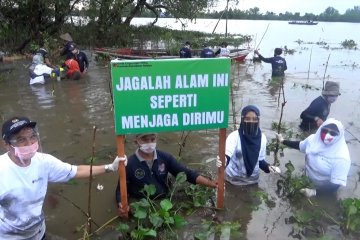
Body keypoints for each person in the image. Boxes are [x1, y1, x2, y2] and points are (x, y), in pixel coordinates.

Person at [0, 116, 126, 239]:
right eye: (21, 140)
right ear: (6, 144)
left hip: (39, 231)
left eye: (32, 137)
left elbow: (76, 171)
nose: (29, 143)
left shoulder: (43, 161)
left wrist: (110, 167)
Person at [115, 133, 217, 216]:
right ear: (136, 142)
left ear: (156, 139)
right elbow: (121, 190)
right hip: (141, 202)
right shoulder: (128, 163)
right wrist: (122, 205)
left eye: (152, 139)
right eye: (145, 140)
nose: (149, 143)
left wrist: (211, 183)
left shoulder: (165, 157)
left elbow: (187, 174)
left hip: (164, 198)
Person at [276, 118, 351, 197]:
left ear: (339, 136)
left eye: (333, 133)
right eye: (325, 131)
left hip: (323, 190)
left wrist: (315, 192)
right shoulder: (313, 139)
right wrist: (283, 141)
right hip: (306, 179)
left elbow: (335, 186)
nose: (327, 135)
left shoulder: (342, 158)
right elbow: (300, 145)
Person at [216, 105, 280, 186]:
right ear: (242, 120)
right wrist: (222, 160)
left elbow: (260, 160)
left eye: (254, 119)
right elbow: (227, 156)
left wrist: (269, 167)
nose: (251, 122)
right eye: (247, 119)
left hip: (253, 180)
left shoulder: (262, 138)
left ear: (258, 120)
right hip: (233, 180)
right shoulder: (234, 136)